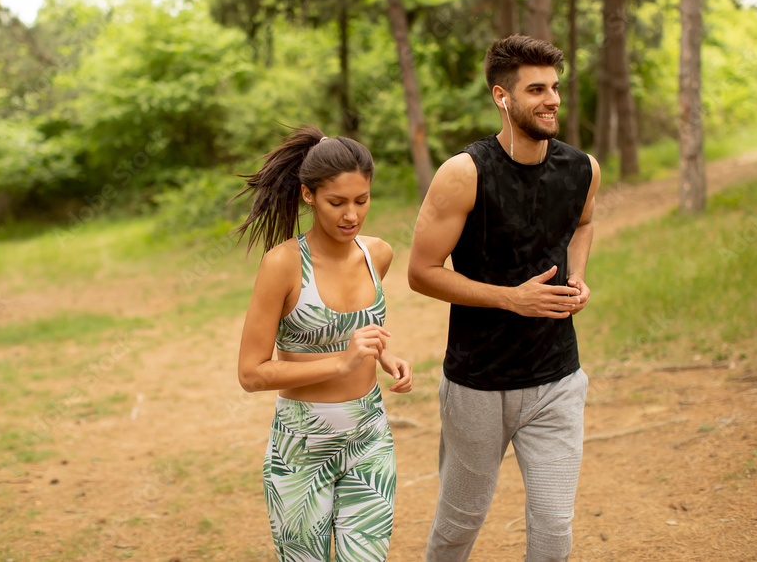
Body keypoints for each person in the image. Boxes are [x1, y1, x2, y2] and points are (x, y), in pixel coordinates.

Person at [408, 35, 601, 562]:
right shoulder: (464, 173)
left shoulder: (582, 168)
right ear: (502, 96)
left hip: (557, 378)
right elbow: (421, 273)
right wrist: (510, 299)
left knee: (554, 526)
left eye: (555, 87)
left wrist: (578, 275)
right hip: (478, 383)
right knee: (458, 525)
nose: (552, 99)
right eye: (536, 89)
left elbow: (582, 224)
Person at [234, 125, 413, 562]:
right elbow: (251, 373)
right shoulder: (283, 265)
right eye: (337, 202)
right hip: (302, 445)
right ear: (309, 195)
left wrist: (383, 354)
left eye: (361, 200)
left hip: (369, 436)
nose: (351, 215)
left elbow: (353, 328)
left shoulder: (378, 255)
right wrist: (340, 363)